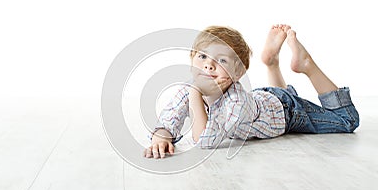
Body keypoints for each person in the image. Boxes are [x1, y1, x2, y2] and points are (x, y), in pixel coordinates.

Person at [143, 24, 360, 159]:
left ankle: (307, 65)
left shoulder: (236, 102)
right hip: (266, 100)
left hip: (288, 112)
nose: (208, 65)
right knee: (278, 96)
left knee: (347, 120)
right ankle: (272, 63)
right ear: (192, 59)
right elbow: (170, 117)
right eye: (202, 57)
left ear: (238, 74)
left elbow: (205, 140)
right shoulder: (190, 86)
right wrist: (161, 138)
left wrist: (194, 95)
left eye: (221, 61)